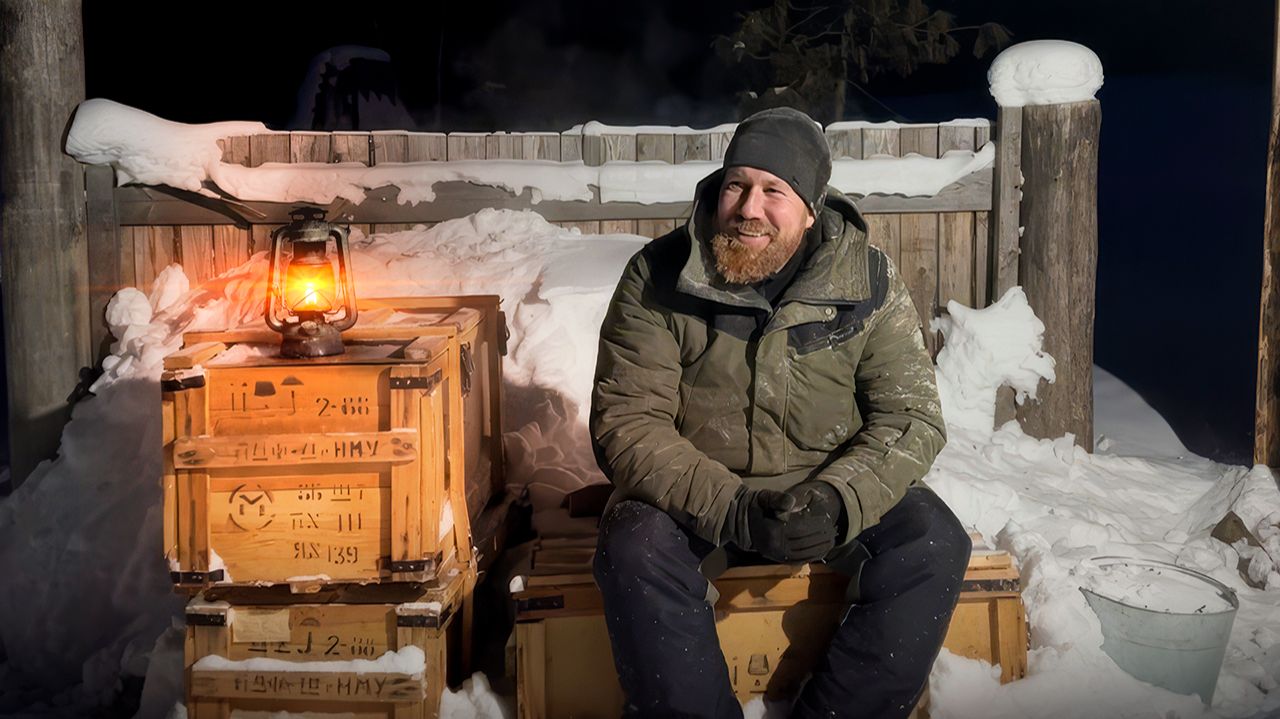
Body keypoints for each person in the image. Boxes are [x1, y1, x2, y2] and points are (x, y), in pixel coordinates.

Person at [589, 107, 972, 719]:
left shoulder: (868, 282)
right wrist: (734, 510)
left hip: (824, 486)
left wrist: (839, 501)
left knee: (933, 541)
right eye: (737, 184)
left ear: (812, 208)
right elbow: (628, 423)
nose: (749, 208)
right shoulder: (657, 277)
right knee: (632, 545)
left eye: (775, 191)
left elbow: (911, 417)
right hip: (699, 492)